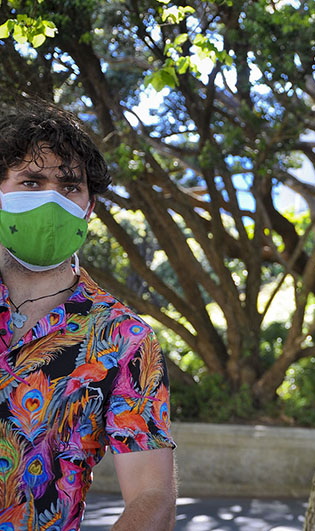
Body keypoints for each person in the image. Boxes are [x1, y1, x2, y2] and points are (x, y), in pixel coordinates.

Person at [0, 105, 176, 530]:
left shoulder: (123, 337)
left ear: (89, 207)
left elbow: (153, 496)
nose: (51, 198)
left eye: (69, 186)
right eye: (31, 181)